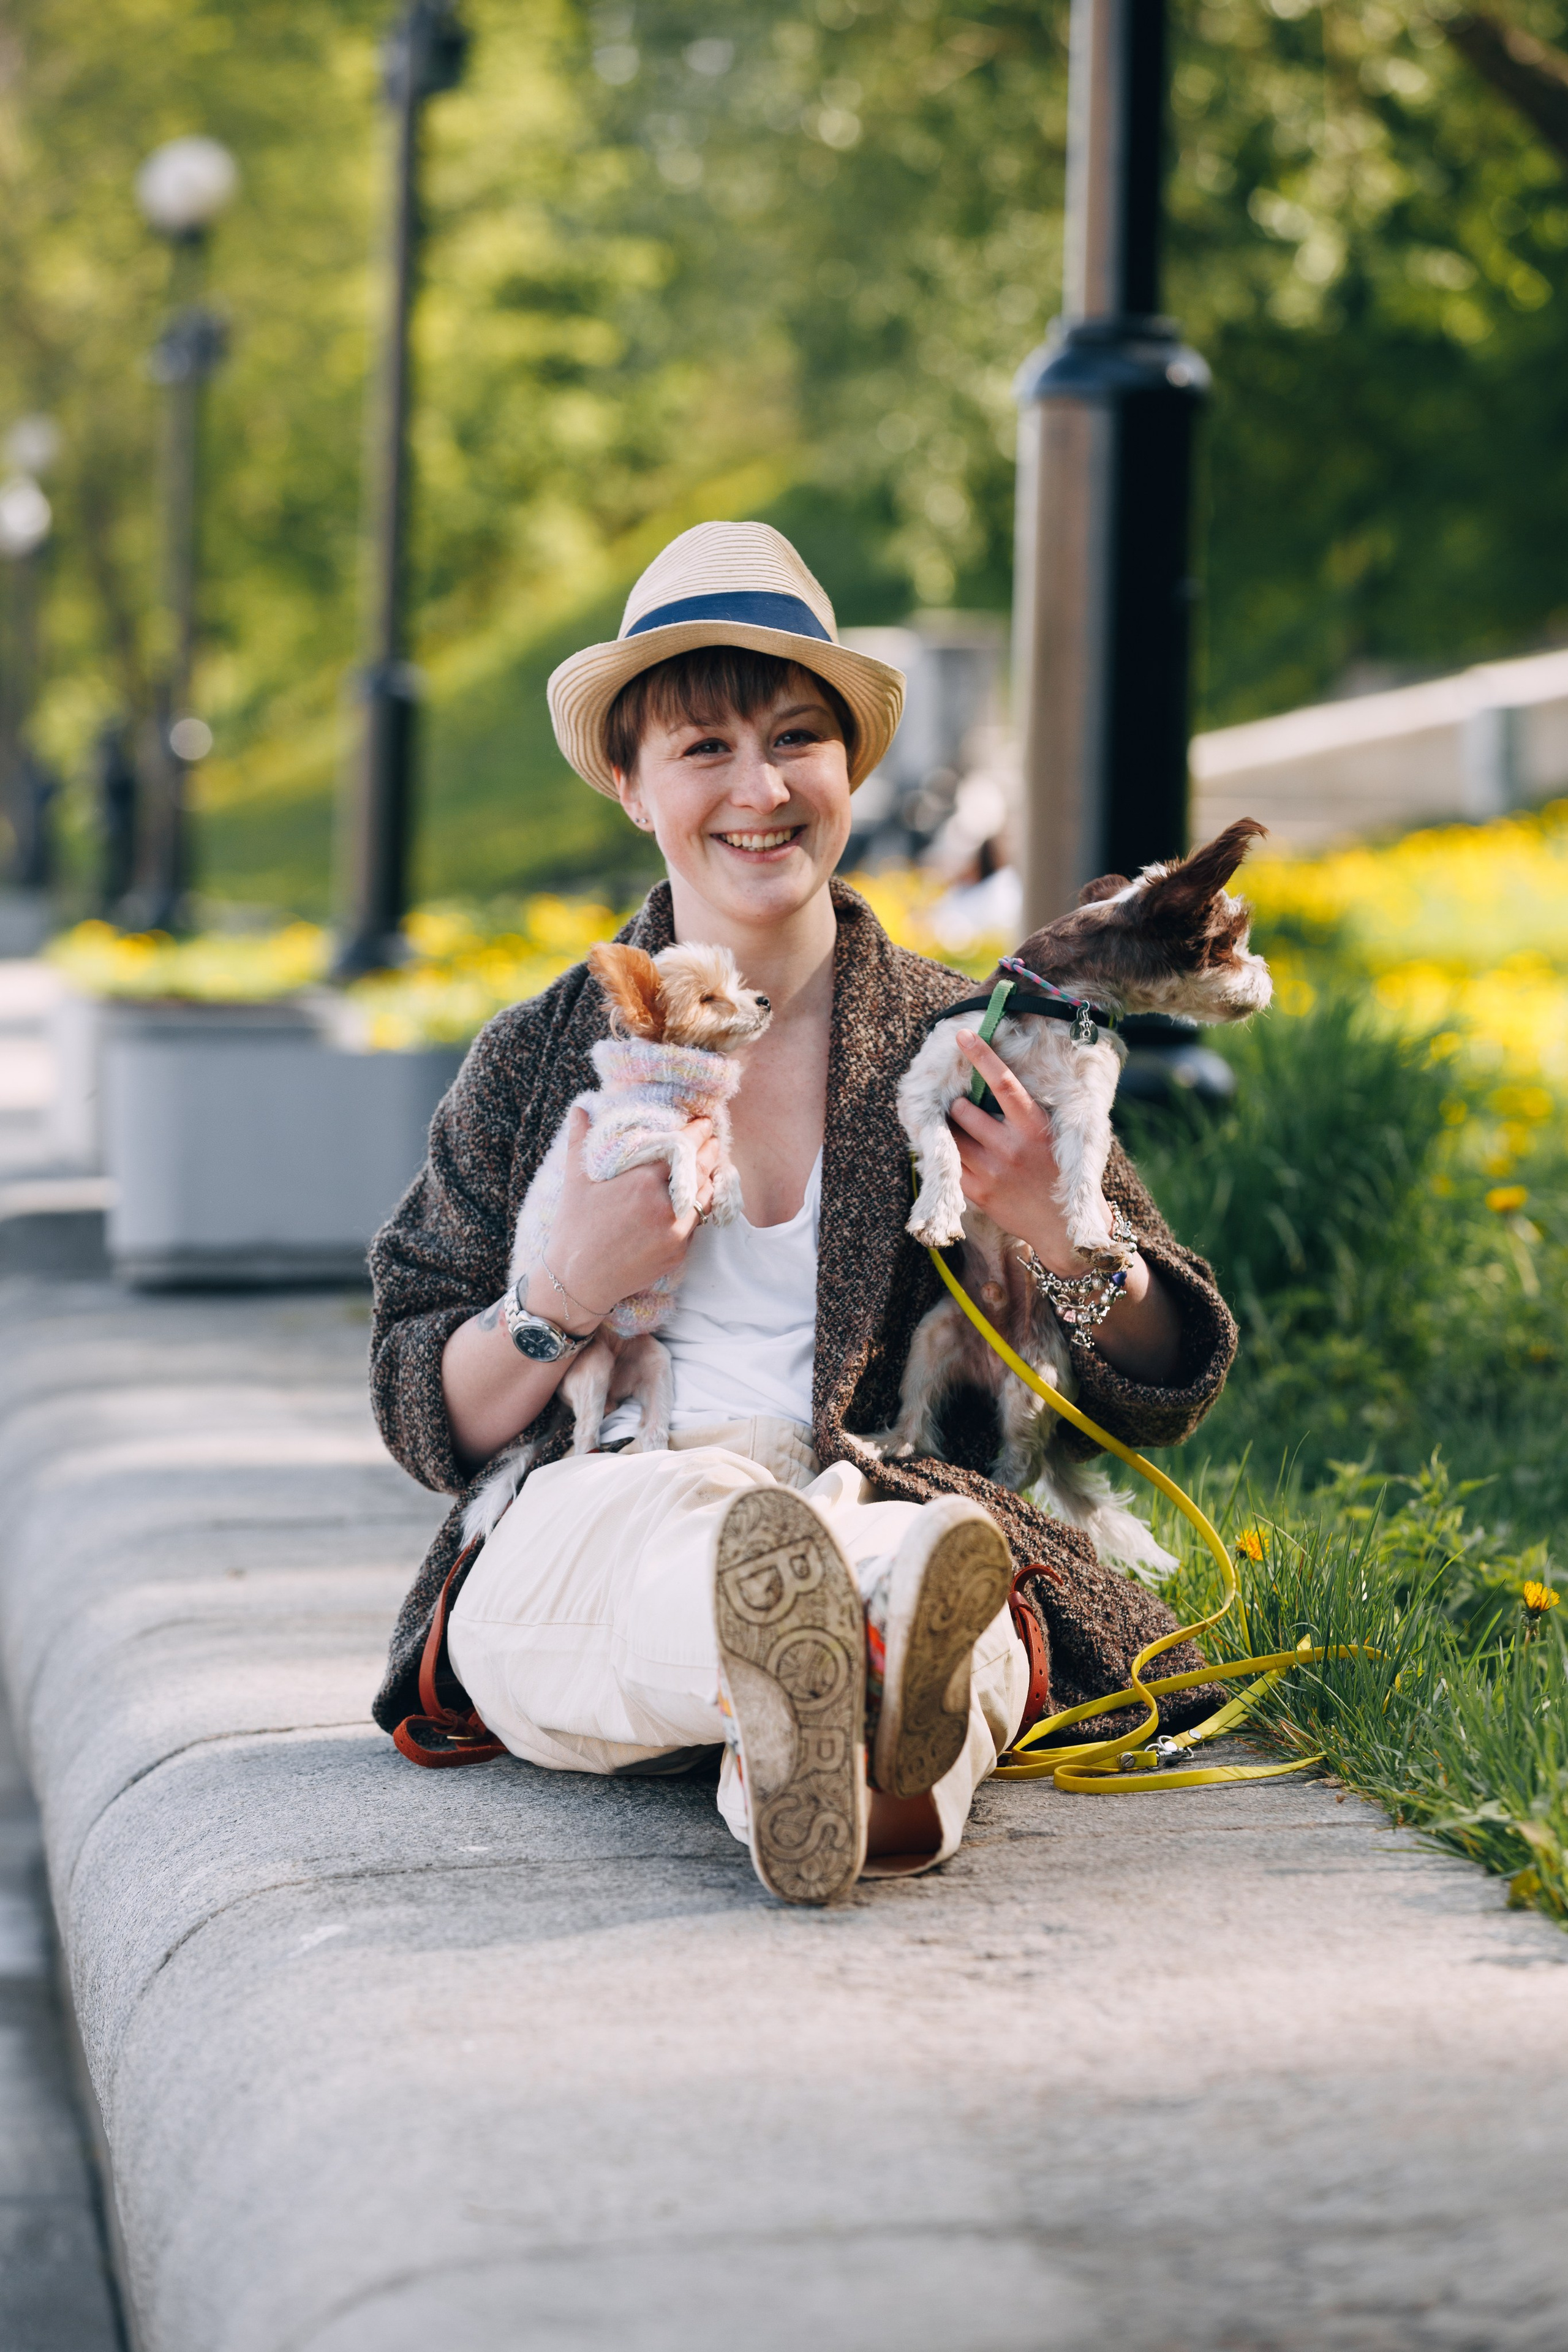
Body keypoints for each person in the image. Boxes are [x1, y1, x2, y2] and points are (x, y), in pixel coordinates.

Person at [369, 520, 1237, 1903]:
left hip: (881, 1497)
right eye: (704, 748)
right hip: (603, 1516)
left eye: (796, 740)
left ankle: (838, 1765)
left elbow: (1164, 1379)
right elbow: (426, 1409)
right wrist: (559, 1298)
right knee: (697, 1548)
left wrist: (1058, 1228)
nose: (760, 789)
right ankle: (850, 1692)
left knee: (940, 1570)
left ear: (851, 766)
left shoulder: (968, 1038)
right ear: (629, 782)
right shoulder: (539, 1058)